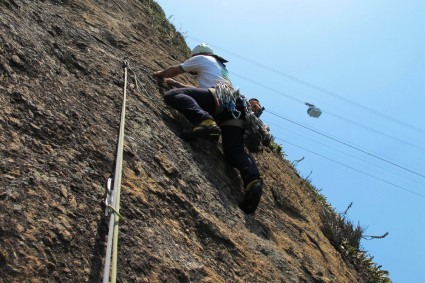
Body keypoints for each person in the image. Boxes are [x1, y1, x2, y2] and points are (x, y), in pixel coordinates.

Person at [153, 43, 263, 214]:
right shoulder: (219, 67)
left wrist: (160, 75)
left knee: (173, 96)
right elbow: (203, 92)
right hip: (234, 108)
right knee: (233, 152)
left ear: (196, 54)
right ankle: (253, 181)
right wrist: (177, 83)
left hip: (218, 99)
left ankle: (205, 122)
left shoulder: (201, 58)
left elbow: (176, 69)